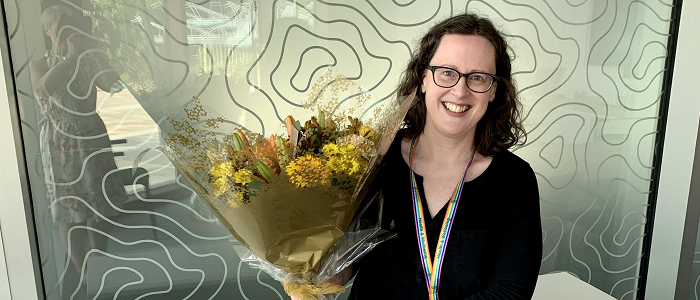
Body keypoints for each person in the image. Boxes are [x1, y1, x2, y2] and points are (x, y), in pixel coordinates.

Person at [293, 13, 542, 300]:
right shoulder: (375, 158)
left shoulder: (514, 181)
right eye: (447, 72)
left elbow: (510, 293)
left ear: (493, 90)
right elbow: (349, 256)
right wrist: (310, 277)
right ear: (423, 78)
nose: (460, 91)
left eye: (477, 77)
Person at [29, 5, 126, 277]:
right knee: (68, 212)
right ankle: (83, 273)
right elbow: (42, 88)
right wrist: (68, 58)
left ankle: (101, 266)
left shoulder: (87, 59)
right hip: (61, 141)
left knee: (98, 207)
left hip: (91, 134)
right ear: (48, 30)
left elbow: (114, 86)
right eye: (62, 25)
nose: (69, 31)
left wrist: (96, 52)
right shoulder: (40, 64)